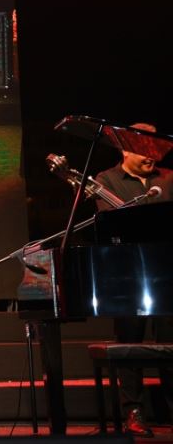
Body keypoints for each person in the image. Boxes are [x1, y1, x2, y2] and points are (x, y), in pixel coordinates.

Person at [94, 122, 173, 437]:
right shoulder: (105, 180)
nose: (151, 156)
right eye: (144, 150)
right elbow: (111, 226)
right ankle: (133, 412)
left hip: (167, 273)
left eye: (155, 149)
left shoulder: (169, 179)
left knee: (170, 344)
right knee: (129, 344)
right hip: (127, 275)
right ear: (124, 150)